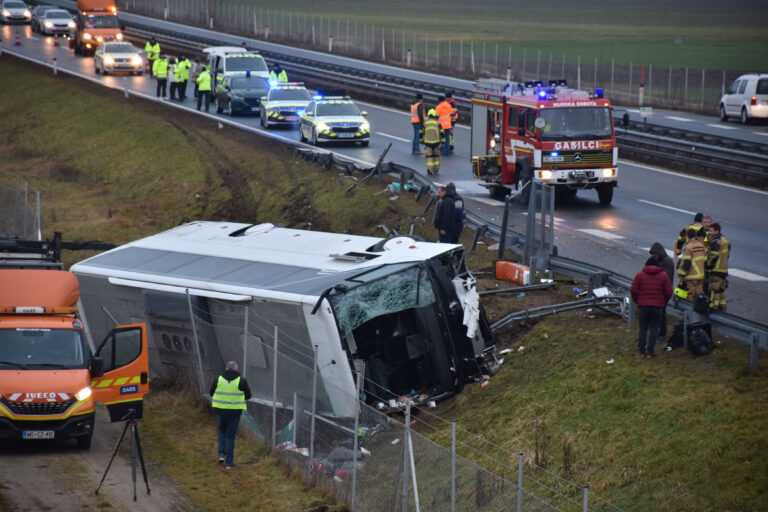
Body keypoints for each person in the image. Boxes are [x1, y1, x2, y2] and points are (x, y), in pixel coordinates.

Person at [210, 361, 252, 469]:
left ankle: (221, 454)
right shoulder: (241, 381)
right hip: (234, 412)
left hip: (220, 411)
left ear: (226, 369)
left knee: (222, 431)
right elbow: (248, 396)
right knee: (230, 436)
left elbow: (211, 392)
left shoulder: (218, 379)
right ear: (236, 369)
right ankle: (229, 463)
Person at [631, 257, 673, 358]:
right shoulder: (663, 276)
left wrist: (638, 301)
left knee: (643, 328)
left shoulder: (640, 275)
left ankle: (641, 350)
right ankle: (650, 351)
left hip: (644, 306)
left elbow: (633, 290)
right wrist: (663, 302)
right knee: (654, 328)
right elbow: (669, 291)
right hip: (658, 306)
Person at [649, 242, 674, 341]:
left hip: (663, 292)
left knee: (661, 313)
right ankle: (660, 333)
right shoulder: (662, 260)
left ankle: (662, 334)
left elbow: (663, 278)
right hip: (660, 291)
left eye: (654, 254)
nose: (654, 256)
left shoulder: (666, 262)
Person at [677, 227, 707, 297]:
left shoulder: (688, 247)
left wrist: (681, 275)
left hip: (691, 276)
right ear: (696, 236)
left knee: (690, 295)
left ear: (687, 236)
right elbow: (705, 260)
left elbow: (686, 263)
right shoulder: (701, 246)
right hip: (700, 275)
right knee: (699, 295)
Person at [706, 223, 730, 311]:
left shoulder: (715, 242)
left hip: (715, 269)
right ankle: (723, 308)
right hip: (724, 269)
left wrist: (707, 265)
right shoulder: (725, 241)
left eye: (711, 231)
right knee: (721, 289)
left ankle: (714, 308)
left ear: (717, 231)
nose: (709, 232)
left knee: (714, 290)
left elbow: (713, 257)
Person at [420, 109, 445, 175]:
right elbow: (442, 133)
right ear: (434, 115)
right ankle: (436, 169)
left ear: (428, 115)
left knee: (429, 157)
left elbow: (421, 133)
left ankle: (429, 170)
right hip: (436, 143)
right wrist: (443, 142)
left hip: (428, 143)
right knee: (436, 156)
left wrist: (421, 141)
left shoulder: (425, 123)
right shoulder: (438, 123)